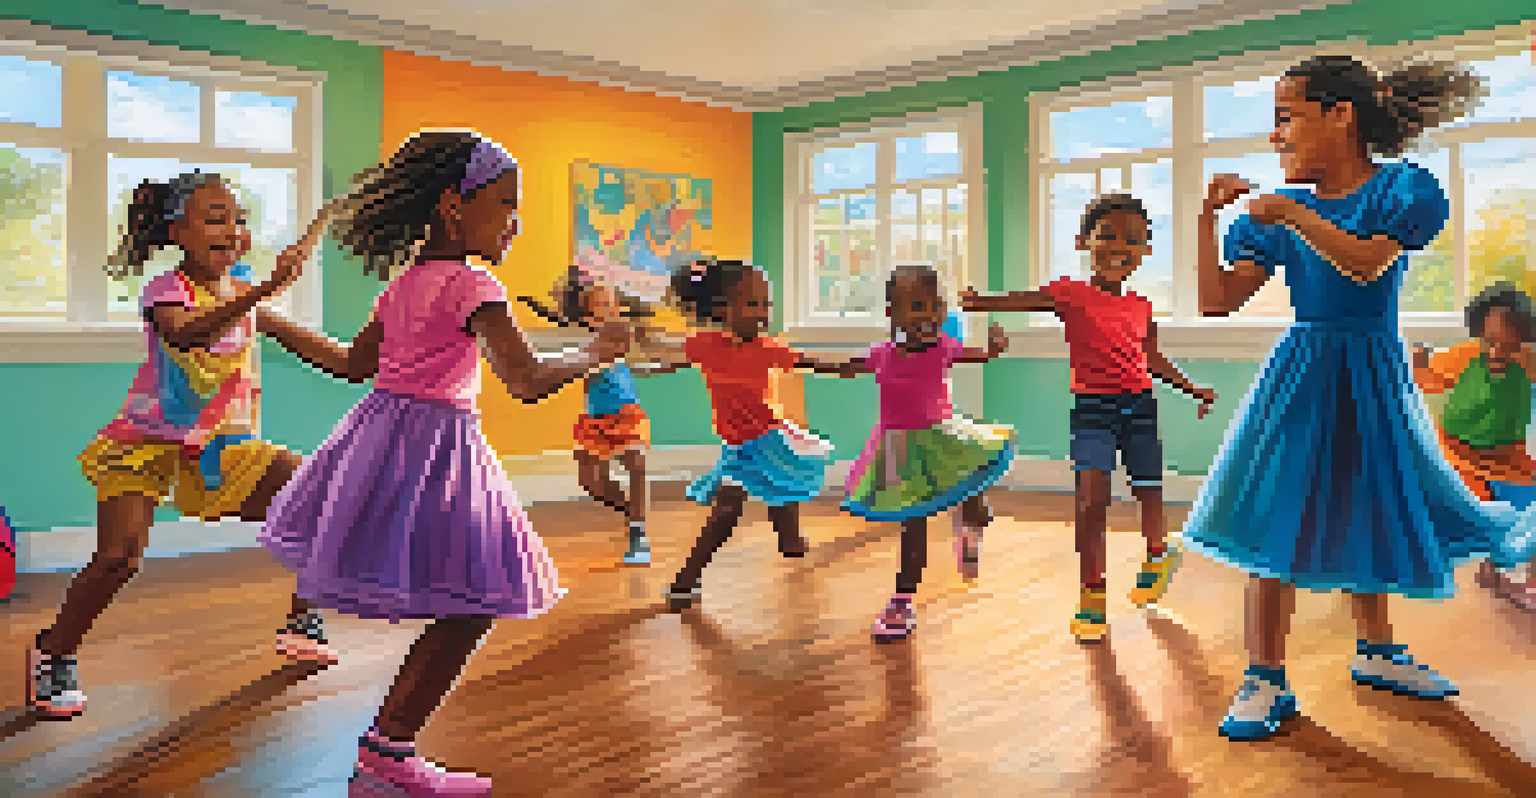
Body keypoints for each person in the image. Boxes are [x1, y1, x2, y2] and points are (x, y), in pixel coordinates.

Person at [258, 130, 630, 794]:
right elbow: (525, 380)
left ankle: (387, 751)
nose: (515, 222)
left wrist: (270, 320)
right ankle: (387, 753)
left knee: (463, 597)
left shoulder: (406, 283)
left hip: (378, 440)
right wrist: (594, 353)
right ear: (454, 206)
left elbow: (351, 365)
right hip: (437, 449)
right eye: (506, 204)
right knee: (474, 598)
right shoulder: (473, 284)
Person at [1183, 55, 1535, 741]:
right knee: (1279, 517)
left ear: (1341, 114)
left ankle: (1377, 651)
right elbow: (1216, 301)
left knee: (1371, 502)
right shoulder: (1279, 219)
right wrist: (1205, 218)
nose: (1275, 136)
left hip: (1373, 370)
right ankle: (1264, 677)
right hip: (1304, 373)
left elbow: (1367, 262)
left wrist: (1291, 211)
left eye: (1287, 117)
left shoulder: (1399, 191)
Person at [33, 171, 334, 720]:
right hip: (145, 442)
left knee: (323, 493)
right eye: (216, 218)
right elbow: (186, 333)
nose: (233, 229)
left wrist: (398, 347)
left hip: (222, 446)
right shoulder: (166, 291)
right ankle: (53, 652)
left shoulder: (242, 292)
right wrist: (263, 291)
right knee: (119, 558)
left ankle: (302, 619)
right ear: (178, 233)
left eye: (239, 219)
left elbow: (334, 357)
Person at [962, 194, 1216, 642]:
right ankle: (1092, 595)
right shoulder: (1071, 293)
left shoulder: (1141, 306)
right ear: (1084, 241)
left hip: (1140, 406)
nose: (1120, 247)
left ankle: (1157, 554)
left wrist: (1192, 387)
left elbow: (1151, 358)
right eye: (1108, 236)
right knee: (1090, 501)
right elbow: (1030, 300)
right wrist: (981, 303)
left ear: (1145, 251)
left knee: (1148, 489)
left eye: (1133, 240)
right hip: (1093, 411)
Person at [815, 263, 1016, 642]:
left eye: (936, 305)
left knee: (975, 488)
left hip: (943, 439)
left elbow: (980, 356)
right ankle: (902, 601)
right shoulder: (881, 354)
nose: (930, 314)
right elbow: (844, 367)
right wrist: (799, 361)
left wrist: (994, 348)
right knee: (913, 525)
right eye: (918, 306)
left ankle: (969, 528)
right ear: (892, 313)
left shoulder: (944, 348)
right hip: (901, 451)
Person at [642, 258, 844, 611]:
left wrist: (862, 364)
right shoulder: (704, 345)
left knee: (778, 494)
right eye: (753, 303)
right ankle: (689, 579)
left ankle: (787, 541)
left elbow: (813, 363)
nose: (764, 312)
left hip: (769, 439)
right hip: (738, 446)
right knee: (731, 508)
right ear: (722, 308)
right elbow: (665, 357)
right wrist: (640, 351)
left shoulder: (767, 348)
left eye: (767, 304)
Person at [1413, 282, 1536, 609]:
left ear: (1524, 338)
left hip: (1507, 455)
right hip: (1457, 450)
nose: (1496, 351)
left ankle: (1519, 577)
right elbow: (1428, 382)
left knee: (1529, 509)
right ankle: (1492, 571)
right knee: (1485, 511)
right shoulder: (1465, 356)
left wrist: (1522, 359)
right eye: (1489, 341)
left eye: (1508, 343)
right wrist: (1420, 361)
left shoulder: (1528, 362)